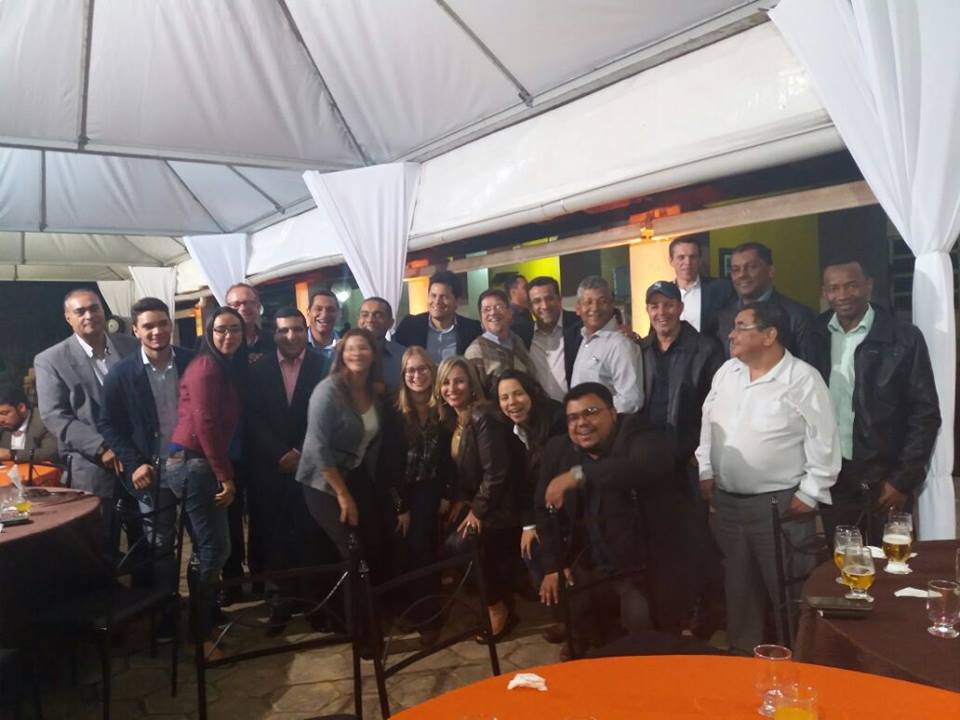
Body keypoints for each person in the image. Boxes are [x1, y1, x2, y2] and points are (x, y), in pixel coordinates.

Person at [696, 301, 840, 655]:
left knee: (788, 589)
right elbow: (708, 422)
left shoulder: (802, 378)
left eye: (741, 327)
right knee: (739, 589)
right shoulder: (727, 372)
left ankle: (801, 659)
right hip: (728, 503)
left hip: (780, 505)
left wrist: (810, 492)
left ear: (769, 335)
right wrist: (705, 470)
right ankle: (745, 660)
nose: (731, 334)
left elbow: (824, 439)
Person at [538, 383, 702, 654]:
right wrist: (554, 564)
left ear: (613, 413)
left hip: (642, 565)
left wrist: (580, 475)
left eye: (591, 412)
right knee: (578, 610)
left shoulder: (637, 432)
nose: (582, 423)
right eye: (573, 418)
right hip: (591, 561)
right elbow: (543, 509)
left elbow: (647, 465)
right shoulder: (559, 449)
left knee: (647, 643)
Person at [814, 260, 940, 544]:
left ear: (868, 286)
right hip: (833, 474)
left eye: (851, 285)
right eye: (834, 288)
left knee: (892, 561)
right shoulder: (814, 334)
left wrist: (902, 480)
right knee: (844, 559)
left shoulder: (903, 337)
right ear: (825, 293)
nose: (842, 295)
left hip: (885, 476)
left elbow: (925, 414)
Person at [97, 296, 194, 639]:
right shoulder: (121, 373)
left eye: (162, 323)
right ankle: (167, 612)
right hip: (151, 473)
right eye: (148, 326)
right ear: (136, 331)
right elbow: (108, 424)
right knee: (160, 547)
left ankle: (203, 608)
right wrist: (134, 462)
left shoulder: (191, 361)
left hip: (192, 466)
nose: (157, 331)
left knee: (204, 540)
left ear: (171, 325)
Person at [249, 307, 334, 630]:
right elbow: (252, 418)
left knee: (311, 536)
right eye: (284, 330)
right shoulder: (258, 369)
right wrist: (279, 453)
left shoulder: (323, 365)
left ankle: (315, 604)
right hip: (271, 467)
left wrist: (301, 452)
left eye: (297, 329)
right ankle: (279, 603)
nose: (291, 336)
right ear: (273, 334)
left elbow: (327, 415)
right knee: (275, 536)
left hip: (311, 465)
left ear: (306, 330)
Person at [166, 306, 244, 653]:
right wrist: (224, 475)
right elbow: (205, 425)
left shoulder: (220, 366)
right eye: (221, 329)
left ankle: (206, 619)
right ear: (208, 332)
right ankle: (199, 635)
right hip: (194, 463)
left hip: (195, 462)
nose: (228, 336)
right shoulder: (206, 367)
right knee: (215, 549)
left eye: (235, 329)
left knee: (206, 547)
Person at [297, 329, 396, 583]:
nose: (357, 354)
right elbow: (317, 446)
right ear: (341, 354)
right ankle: (349, 605)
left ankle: (371, 600)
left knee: (374, 535)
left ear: (373, 354)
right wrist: (342, 494)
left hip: (354, 470)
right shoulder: (327, 391)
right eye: (351, 349)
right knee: (349, 546)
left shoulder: (373, 391)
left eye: (363, 348)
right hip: (323, 479)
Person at [437, 356, 522, 640]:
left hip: (501, 505)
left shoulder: (482, 415)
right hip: (480, 499)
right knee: (445, 538)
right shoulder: (455, 419)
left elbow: (496, 473)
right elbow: (465, 471)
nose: (452, 388)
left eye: (459, 381)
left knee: (459, 545)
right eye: (446, 382)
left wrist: (477, 511)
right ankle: (498, 599)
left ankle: (498, 608)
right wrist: (462, 500)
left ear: (472, 384)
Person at [34, 289, 139, 512]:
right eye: (80, 311)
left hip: (140, 461)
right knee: (102, 532)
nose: (89, 316)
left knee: (151, 531)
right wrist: (101, 447)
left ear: (103, 311)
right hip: (93, 467)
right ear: (68, 317)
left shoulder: (131, 346)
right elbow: (55, 416)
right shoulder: (51, 360)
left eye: (94, 308)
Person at [391, 346, 457, 645]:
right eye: (410, 370)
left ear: (432, 371)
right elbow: (388, 465)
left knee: (423, 548)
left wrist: (446, 493)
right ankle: (410, 609)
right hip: (399, 490)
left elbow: (448, 460)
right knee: (404, 551)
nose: (417, 375)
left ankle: (430, 617)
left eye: (422, 369)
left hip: (429, 488)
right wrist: (400, 506)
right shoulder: (393, 411)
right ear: (403, 375)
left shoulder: (443, 409)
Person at [639, 281, 724, 486]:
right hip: (648, 457)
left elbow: (720, 405)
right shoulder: (640, 349)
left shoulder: (706, 348)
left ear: (680, 308)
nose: (661, 312)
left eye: (668, 305)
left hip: (690, 461)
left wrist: (703, 452)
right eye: (654, 306)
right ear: (647, 310)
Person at [496, 370, 564, 586]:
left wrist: (538, 525)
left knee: (537, 552)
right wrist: (528, 525)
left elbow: (554, 479)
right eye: (504, 398)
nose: (511, 402)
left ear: (532, 393)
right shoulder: (509, 428)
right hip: (541, 509)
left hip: (567, 506)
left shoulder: (557, 420)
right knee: (528, 549)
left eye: (518, 394)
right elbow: (520, 482)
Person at [715, 243, 825, 368]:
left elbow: (809, 367)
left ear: (771, 271)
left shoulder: (798, 316)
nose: (742, 275)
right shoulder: (723, 317)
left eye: (751, 267)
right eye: (735, 270)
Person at [569, 276, 643, 414]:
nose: (595, 308)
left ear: (611, 305)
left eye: (602, 301)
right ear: (578, 308)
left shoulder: (620, 345)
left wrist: (593, 413)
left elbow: (631, 400)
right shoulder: (583, 339)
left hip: (607, 425)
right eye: (588, 302)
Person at [394, 271, 482, 364]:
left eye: (444, 297)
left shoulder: (473, 330)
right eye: (433, 296)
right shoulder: (410, 326)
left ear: (457, 301)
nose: (437, 301)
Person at [464, 289, 535, 391]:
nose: (493, 312)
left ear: (509, 312)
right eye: (486, 309)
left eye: (498, 306)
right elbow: (474, 393)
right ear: (481, 318)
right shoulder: (475, 352)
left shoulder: (518, 341)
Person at [527, 276, 583, 403]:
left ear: (559, 299)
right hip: (540, 410)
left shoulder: (580, 325)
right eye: (537, 301)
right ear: (530, 306)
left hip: (575, 408)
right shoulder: (524, 334)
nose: (545, 306)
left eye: (549, 298)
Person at [667, 235, 735, 335]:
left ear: (700, 260)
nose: (688, 262)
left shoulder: (720, 289)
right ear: (671, 261)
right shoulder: (664, 293)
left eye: (693, 257)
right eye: (681, 257)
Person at [0, 383, 58, 464]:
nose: (1, 420)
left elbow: (51, 453)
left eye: (4, 413)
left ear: (21, 408)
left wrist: (12, 454)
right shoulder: (3, 429)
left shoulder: (44, 422)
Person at [358, 296, 406, 392]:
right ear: (358, 320)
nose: (370, 320)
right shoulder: (344, 353)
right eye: (365, 315)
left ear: (391, 323)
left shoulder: (403, 356)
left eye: (378, 315)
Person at [225, 283, 274, 363]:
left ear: (258, 307)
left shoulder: (272, 340)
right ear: (227, 309)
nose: (243, 308)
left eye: (248, 302)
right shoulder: (218, 342)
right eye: (236, 304)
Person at [500, 272, 534, 349]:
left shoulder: (525, 312)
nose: (529, 290)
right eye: (525, 287)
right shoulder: (509, 317)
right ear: (513, 292)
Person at [306, 289, 340, 365]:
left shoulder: (347, 343)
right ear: (308, 313)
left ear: (338, 313)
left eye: (330, 310)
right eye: (318, 309)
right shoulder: (297, 344)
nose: (324, 315)